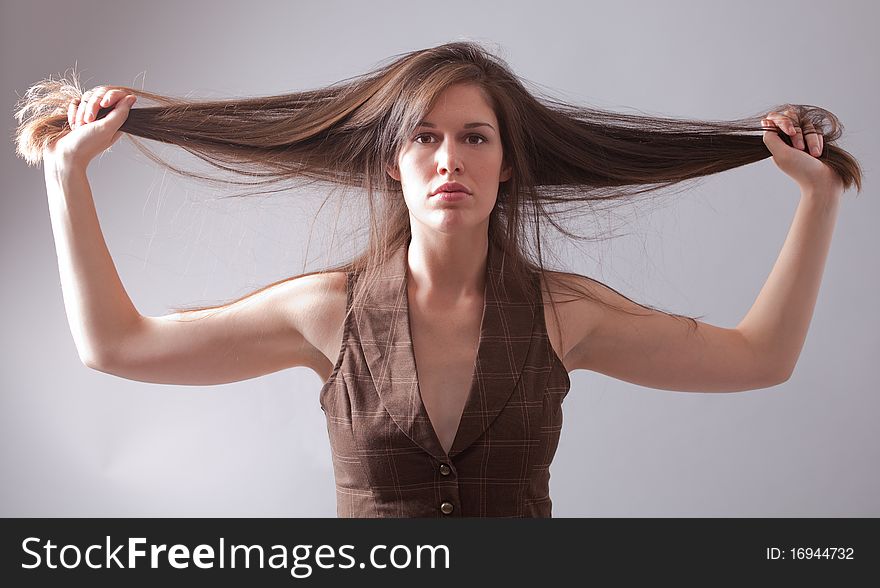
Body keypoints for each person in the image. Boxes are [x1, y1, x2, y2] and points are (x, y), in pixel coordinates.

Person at [14, 42, 862, 517]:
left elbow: (760, 358)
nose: (449, 157)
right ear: (392, 163)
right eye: (422, 137)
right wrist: (67, 179)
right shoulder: (325, 312)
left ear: (507, 164)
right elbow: (115, 346)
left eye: (475, 137)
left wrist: (816, 201)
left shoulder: (562, 313)